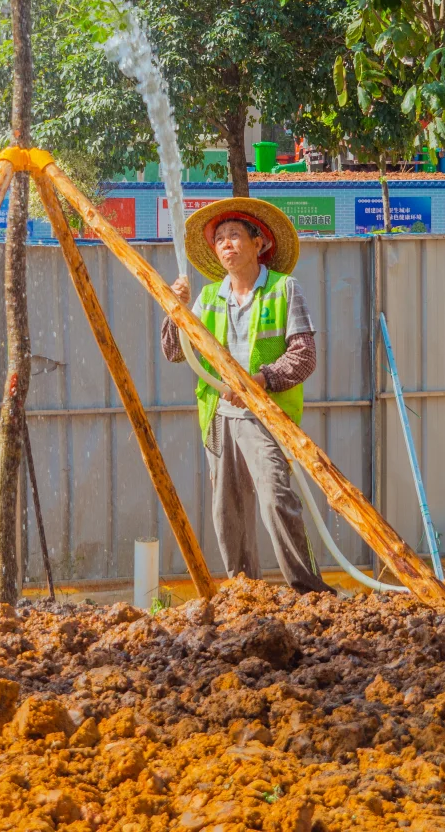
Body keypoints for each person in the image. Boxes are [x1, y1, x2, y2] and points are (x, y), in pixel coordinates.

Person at [161, 197, 330, 594]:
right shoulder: (207, 299)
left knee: (275, 496)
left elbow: (304, 356)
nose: (226, 244)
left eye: (235, 235)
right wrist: (175, 309)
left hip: (266, 414)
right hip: (219, 417)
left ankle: (310, 593)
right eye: (220, 239)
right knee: (227, 513)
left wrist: (261, 381)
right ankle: (246, 595)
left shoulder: (284, 289)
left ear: (260, 244)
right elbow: (173, 351)